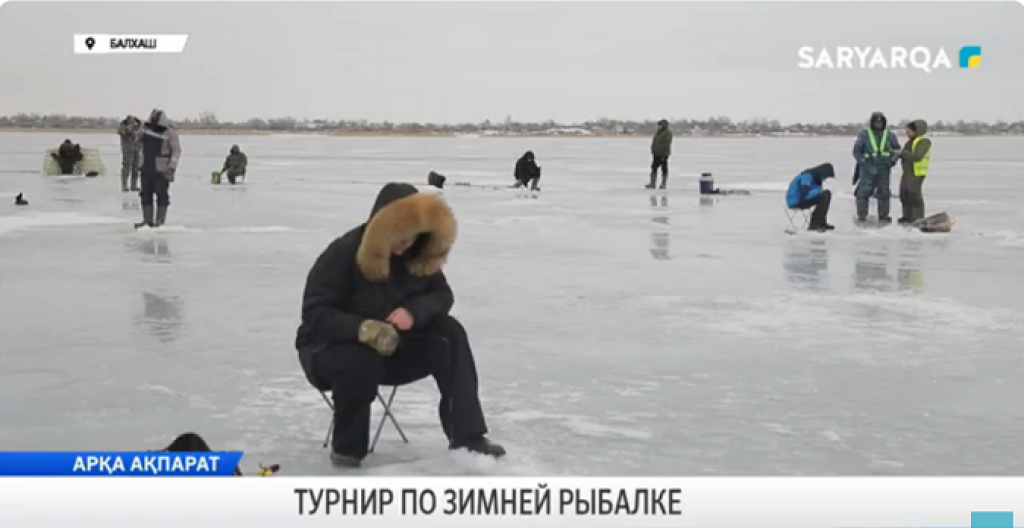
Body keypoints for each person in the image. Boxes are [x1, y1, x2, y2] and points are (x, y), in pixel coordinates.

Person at [295, 183, 506, 467]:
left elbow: (442, 295)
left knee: (450, 334)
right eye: (399, 237)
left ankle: (467, 437)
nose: (405, 244)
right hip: (330, 351)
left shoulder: (417, 255)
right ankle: (348, 450)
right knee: (359, 362)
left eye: (411, 236)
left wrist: (413, 313)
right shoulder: (343, 254)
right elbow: (315, 315)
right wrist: (363, 329)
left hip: (393, 351)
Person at [135, 109, 182, 229]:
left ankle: (160, 220)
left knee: (162, 194)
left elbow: (176, 151)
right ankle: (147, 220)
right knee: (145, 194)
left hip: (162, 169)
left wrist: (172, 167)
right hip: (146, 166)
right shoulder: (145, 129)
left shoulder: (170, 133)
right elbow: (137, 140)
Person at [852, 111, 900, 224]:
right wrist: (862, 161)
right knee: (863, 193)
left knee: (884, 193)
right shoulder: (864, 134)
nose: (878, 124)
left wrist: (892, 161)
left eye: (880, 122)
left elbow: (897, 150)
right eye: (876, 122)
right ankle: (862, 215)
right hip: (867, 168)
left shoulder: (890, 135)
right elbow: (857, 151)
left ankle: (884, 216)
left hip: (884, 168)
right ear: (872, 122)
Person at [896, 120, 932, 224]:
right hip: (907, 172)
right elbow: (904, 154)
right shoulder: (909, 142)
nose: (907, 133)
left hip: (917, 172)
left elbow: (917, 156)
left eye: (909, 131)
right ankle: (907, 216)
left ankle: (917, 217)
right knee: (904, 194)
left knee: (914, 195)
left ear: (916, 131)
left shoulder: (924, 142)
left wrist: (902, 153)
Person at [786, 163, 836, 232]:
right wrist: (803, 199)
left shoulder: (816, 179)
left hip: (802, 198)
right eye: (825, 177)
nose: (824, 179)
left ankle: (821, 222)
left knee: (826, 194)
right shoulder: (808, 175)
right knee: (824, 196)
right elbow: (804, 188)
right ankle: (815, 224)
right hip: (796, 200)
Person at [118, 115, 143, 192]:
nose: (133, 123)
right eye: (131, 121)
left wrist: (138, 126)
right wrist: (130, 127)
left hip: (136, 150)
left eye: (134, 121)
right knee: (126, 168)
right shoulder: (122, 127)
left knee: (136, 168)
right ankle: (124, 185)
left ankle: (134, 185)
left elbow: (141, 136)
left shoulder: (138, 128)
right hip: (127, 150)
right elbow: (122, 132)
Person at [647, 119, 673, 189]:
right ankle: (652, 183)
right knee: (654, 167)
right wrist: (653, 149)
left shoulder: (668, 133)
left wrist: (664, 153)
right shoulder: (658, 132)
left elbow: (667, 143)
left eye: (660, 125)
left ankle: (663, 184)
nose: (658, 126)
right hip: (656, 153)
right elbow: (655, 141)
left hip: (663, 153)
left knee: (664, 168)